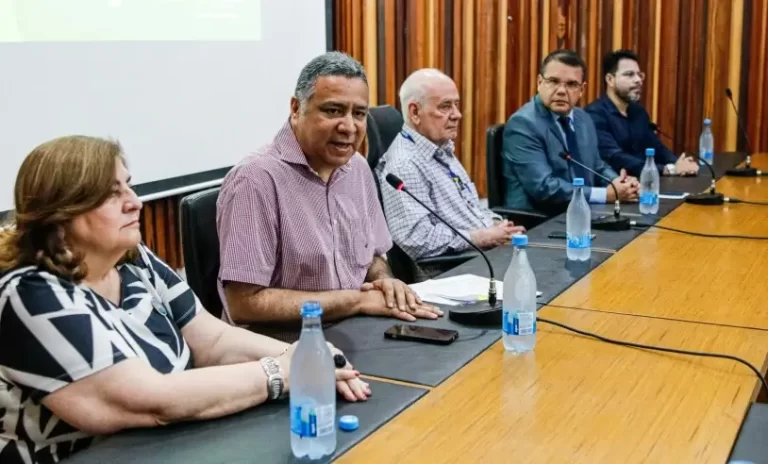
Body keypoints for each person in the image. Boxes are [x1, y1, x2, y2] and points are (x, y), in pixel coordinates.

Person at [0, 136, 370, 464]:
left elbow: (214, 340)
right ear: (61, 213)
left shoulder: (132, 258)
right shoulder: (29, 296)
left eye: (129, 187)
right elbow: (153, 400)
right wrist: (282, 372)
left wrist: (307, 355)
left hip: (170, 446)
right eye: (113, 194)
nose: (135, 203)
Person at [216, 52, 442, 339]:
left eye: (359, 113)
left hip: (352, 330)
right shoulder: (255, 180)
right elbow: (244, 305)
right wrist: (355, 301)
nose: (349, 127)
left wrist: (385, 281)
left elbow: (371, 255)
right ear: (296, 108)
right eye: (333, 111)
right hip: (282, 346)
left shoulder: (357, 168)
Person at [377, 68, 524, 262]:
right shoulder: (405, 165)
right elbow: (415, 240)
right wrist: (481, 237)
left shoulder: (440, 148)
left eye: (456, 105)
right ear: (415, 112)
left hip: (484, 253)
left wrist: (498, 225)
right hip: (457, 268)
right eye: (445, 106)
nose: (457, 115)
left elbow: (470, 208)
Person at [502, 50, 639, 216]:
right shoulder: (523, 124)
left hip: (585, 212)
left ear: (582, 90)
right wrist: (606, 194)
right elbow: (544, 187)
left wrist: (618, 182)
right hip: (540, 221)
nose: (561, 90)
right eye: (553, 81)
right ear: (539, 83)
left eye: (571, 84)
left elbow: (597, 165)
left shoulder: (583, 119)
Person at [585, 50, 699, 177]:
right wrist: (667, 169)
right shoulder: (594, 114)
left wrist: (678, 163)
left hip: (647, 183)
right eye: (629, 74)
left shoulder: (638, 112)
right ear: (610, 79)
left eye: (640, 75)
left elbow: (656, 147)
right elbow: (615, 157)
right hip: (616, 187)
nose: (638, 80)